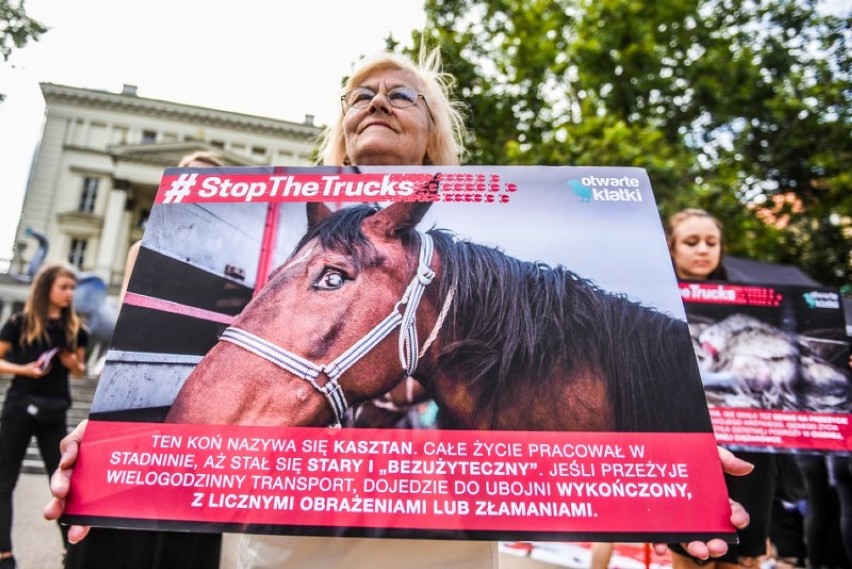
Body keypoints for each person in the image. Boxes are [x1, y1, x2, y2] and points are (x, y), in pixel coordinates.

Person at [45, 49, 751, 568]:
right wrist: (108, 449)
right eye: (359, 94)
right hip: (282, 546)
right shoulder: (311, 245)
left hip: (437, 549)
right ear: (340, 130)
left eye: (401, 95)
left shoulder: (476, 283)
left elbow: (562, 391)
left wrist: (673, 449)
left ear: (434, 139)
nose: (376, 100)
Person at [62, 150, 226, 569]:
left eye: (209, 182)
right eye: (187, 178)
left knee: (181, 535)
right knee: (114, 531)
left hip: (203, 408)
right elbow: (129, 325)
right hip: (141, 396)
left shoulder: (231, 257)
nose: (196, 187)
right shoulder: (145, 246)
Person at [665, 208, 775, 569]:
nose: (702, 250)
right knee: (689, 552)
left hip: (750, 443)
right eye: (691, 242)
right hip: (688, 442)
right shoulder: (657, 300)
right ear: (672, 247)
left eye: (711, 242)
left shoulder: (755, 305)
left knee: (743, 556)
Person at [0, 263, 88, 569]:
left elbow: (80, 370)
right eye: (64, 287)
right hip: (19, 407)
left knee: (64, 484)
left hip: (55, 411)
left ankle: (72, 552)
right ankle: (4, 554)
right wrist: (24, 369)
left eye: (72, 288)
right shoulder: (19, 322)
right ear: (46, 288)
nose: (69, 293)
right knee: (3, 481)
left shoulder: (76, 329)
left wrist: (70, 362)